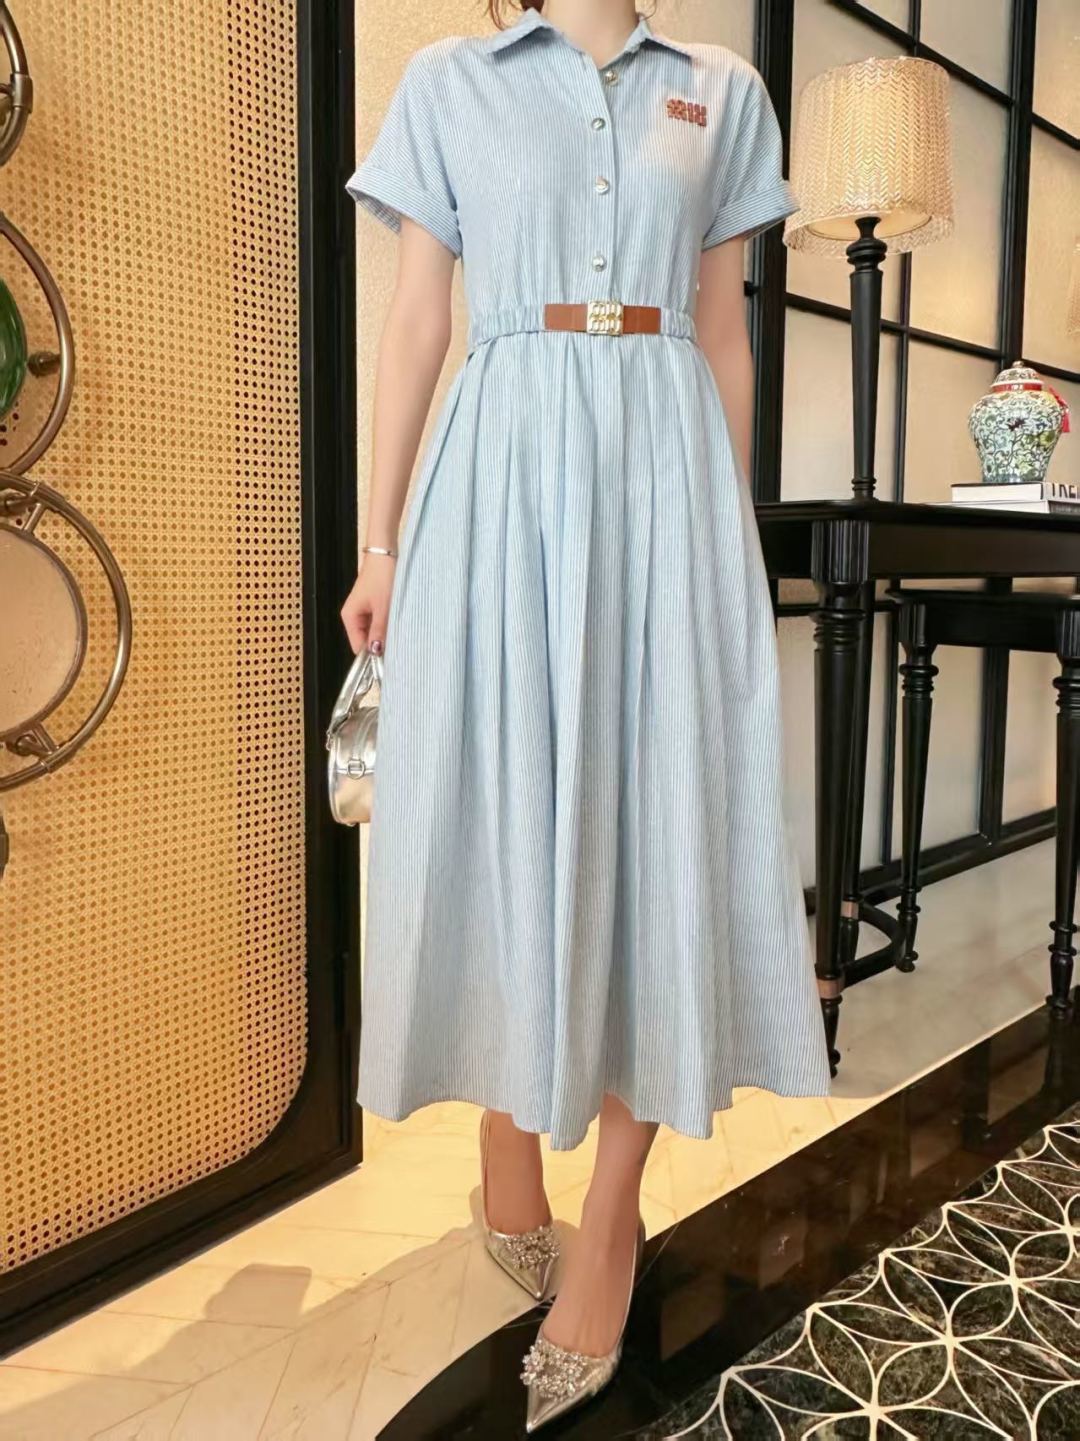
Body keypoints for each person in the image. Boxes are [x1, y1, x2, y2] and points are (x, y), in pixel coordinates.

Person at [340, 0, 831, 1429]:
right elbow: (418, 319)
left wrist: (729, 536)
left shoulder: (721, 90)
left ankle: (610, 1218)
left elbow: (726, 332)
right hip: (499, 472)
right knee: (504, 804)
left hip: (664, 478)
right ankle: (507, 1139)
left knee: (658, 825)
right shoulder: (449, 81)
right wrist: (380, 546)